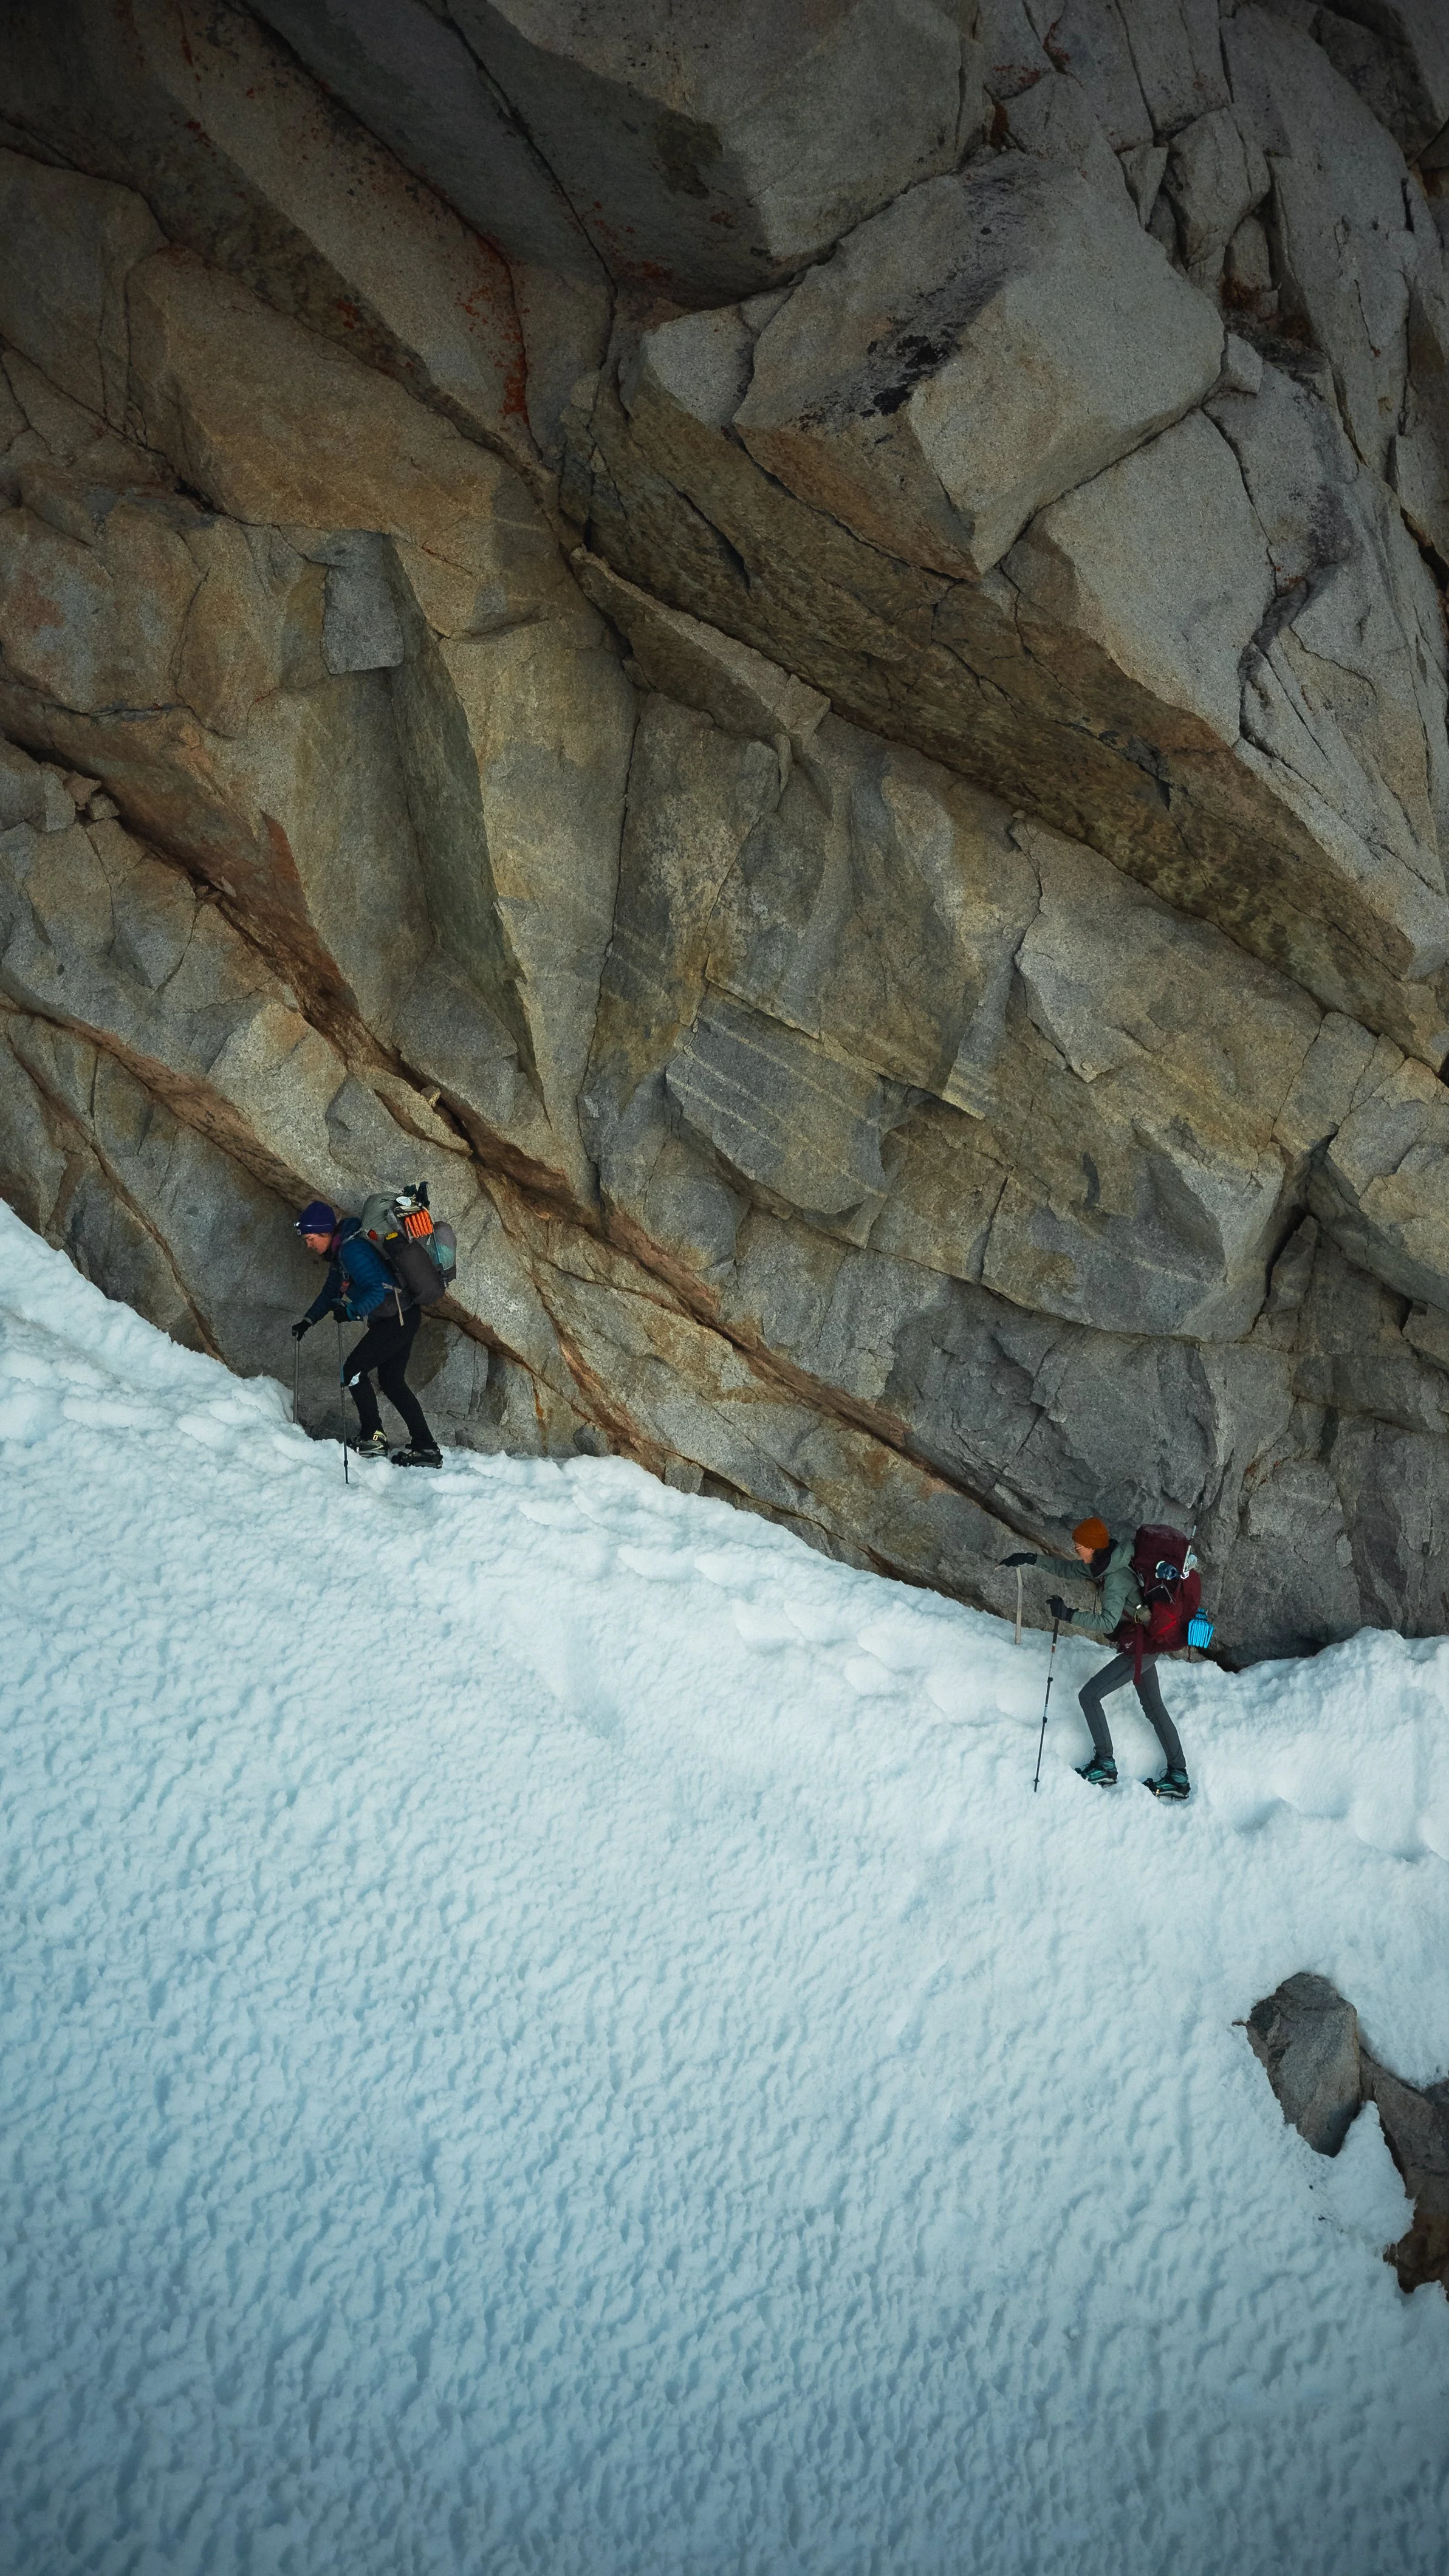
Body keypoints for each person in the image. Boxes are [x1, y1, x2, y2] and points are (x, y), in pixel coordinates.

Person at [1001, 1516, 1191, 1800]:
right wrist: (1030, 1559)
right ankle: (1178, 1775)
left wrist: (1068, 1615)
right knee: (1154, 1708)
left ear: (1093, 1547)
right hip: (1146, 1645)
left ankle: (1105, 1763)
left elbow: (1107, 1622)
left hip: (1141, 1648)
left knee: (1089, 1696)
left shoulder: (1115, 1577)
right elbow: (1068, 1569)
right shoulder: (1105, 1564)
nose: (1077, 1551)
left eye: (1080, 1547)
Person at [291, 1197, 441, 1468]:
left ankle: (374, 1436)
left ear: (326, 1233)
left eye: (311, 1238)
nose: (308, 1245)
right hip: (401, 1317)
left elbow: (378, 1290)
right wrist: (308, 1321)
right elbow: (330, 1293)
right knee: (392, 1381)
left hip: (397, 1319)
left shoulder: (352, 1252)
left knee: (352, 1372)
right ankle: (426, 1447)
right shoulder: (341, 1255)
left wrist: (351, 1312)